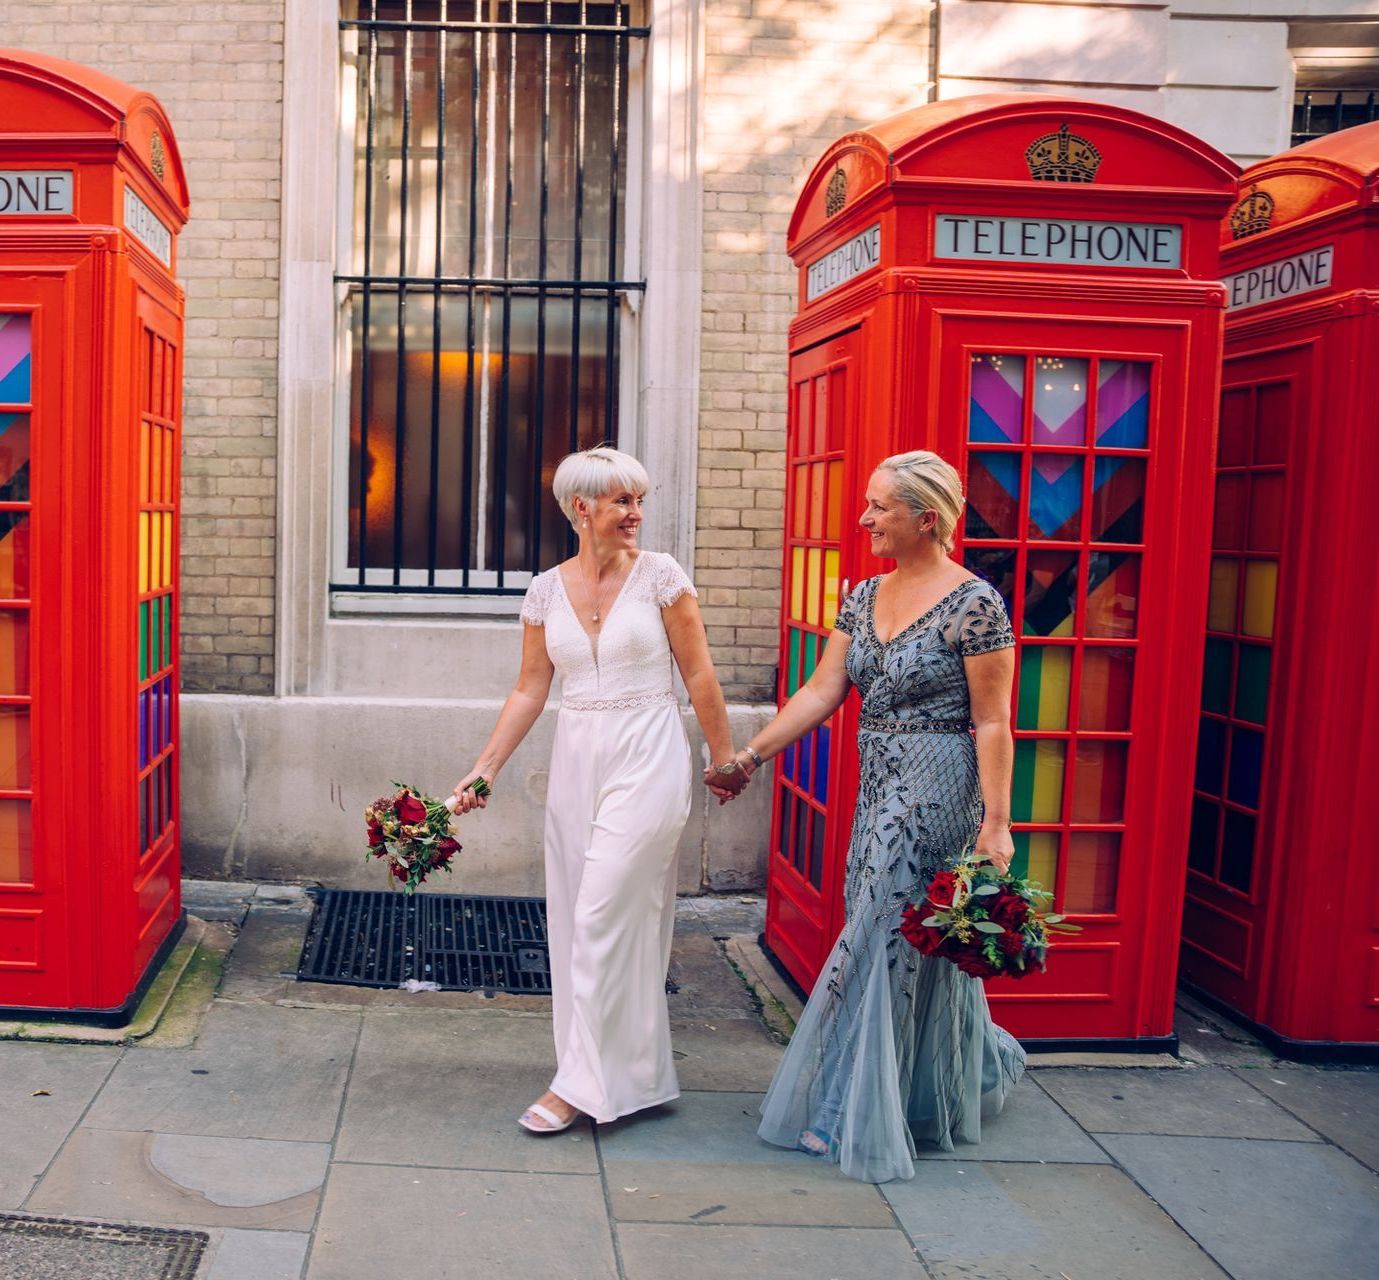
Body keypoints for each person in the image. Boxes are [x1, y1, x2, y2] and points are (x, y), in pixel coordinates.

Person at [708, 449, 1024, 1182]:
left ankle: (842, 1105)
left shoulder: (976, 603)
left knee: (875, 936)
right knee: (894, 934)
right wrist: (750, 759)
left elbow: (993, 722)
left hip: (937, 785)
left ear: (926, 516)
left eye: (880, 506)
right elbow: (822, 691)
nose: (864, 518)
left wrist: (997, 822)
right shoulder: (861, 594)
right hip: (876, 786)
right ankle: (962, 1069)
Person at [452, 446, 746, 1134]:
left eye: (639, 500)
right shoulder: (545, 591)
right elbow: (530, 687)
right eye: (622, 501)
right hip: (577, 759)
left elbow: (698, 674)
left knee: (601, 915)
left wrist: (725, 755)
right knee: (579, 922)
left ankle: (576, 1087)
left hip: (648, 753)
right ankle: (633, 1073)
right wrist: (485, 767)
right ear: (580, 509)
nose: (636, 514)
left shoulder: (662, 579)